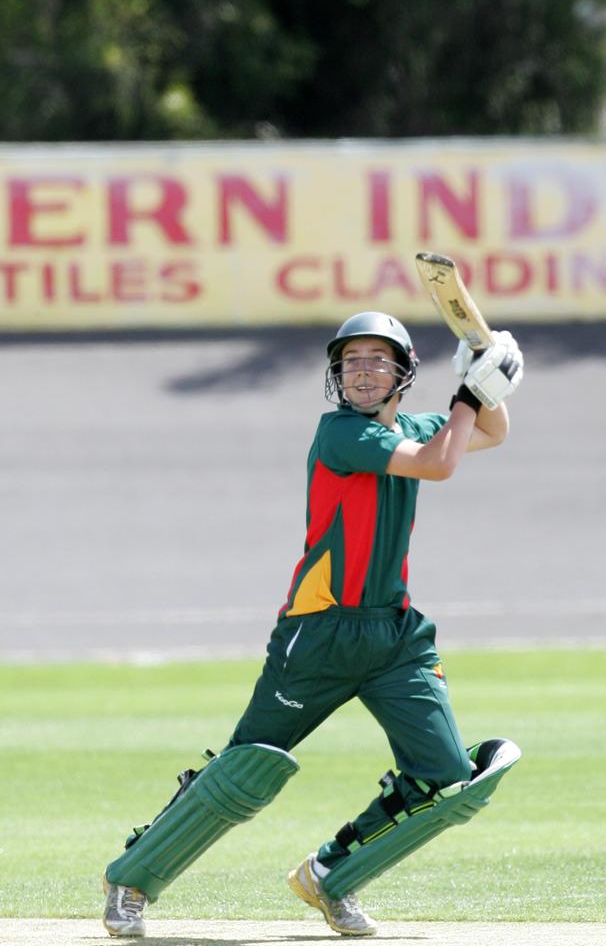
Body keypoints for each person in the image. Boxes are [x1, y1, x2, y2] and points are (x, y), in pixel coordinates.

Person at [102, 311, 523, 939]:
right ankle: (130, 878)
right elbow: (441, 464)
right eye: (351, 361)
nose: (361, 371)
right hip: (317, 633)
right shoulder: (340, 434)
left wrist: (489, 374)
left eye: (377, 359)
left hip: (395, 638)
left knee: (449, 782)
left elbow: (489, 431)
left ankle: (331, 876)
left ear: (403, 372)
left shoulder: (415, 426)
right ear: (336, 374)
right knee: (244, 771)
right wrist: (467, 392)